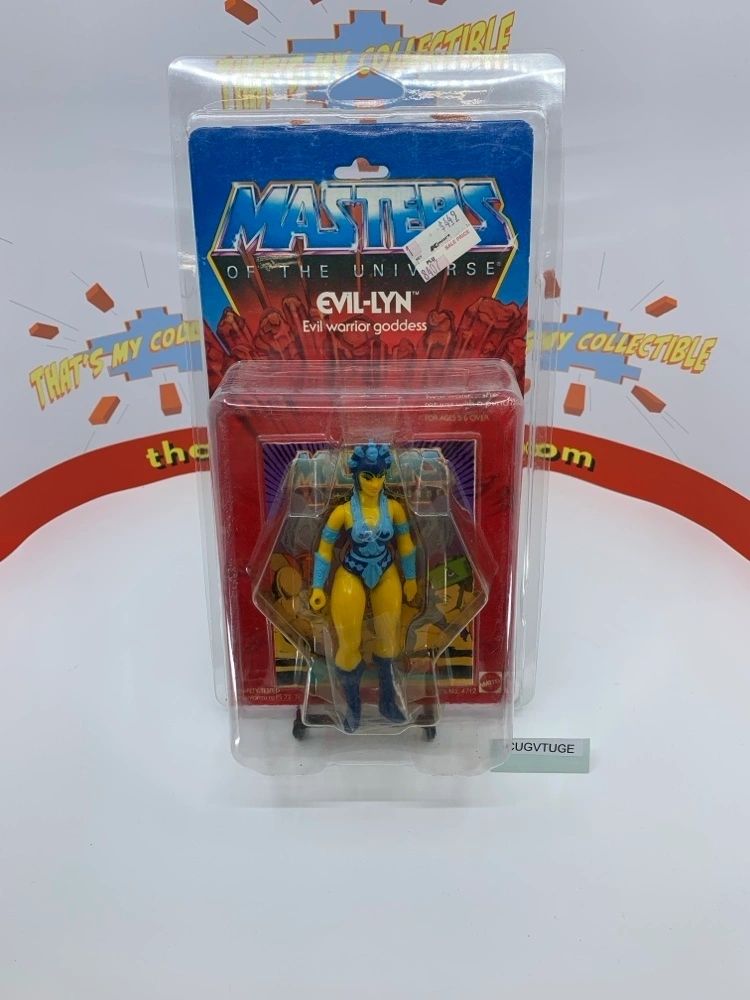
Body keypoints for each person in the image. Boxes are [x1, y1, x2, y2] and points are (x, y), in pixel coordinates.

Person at [309, 443, 418, 732]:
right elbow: (324, 549)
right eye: (368, 476)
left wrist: (411, 579)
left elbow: (406, 545)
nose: (375, 482)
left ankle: (388, 702)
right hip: (351, 572)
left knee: (389, 640)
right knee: (348, 644)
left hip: (385, 571)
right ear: (356, 476)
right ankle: (352, 706)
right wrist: (317, 586)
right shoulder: (343, 512)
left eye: (379, 475)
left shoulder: (393, 509)